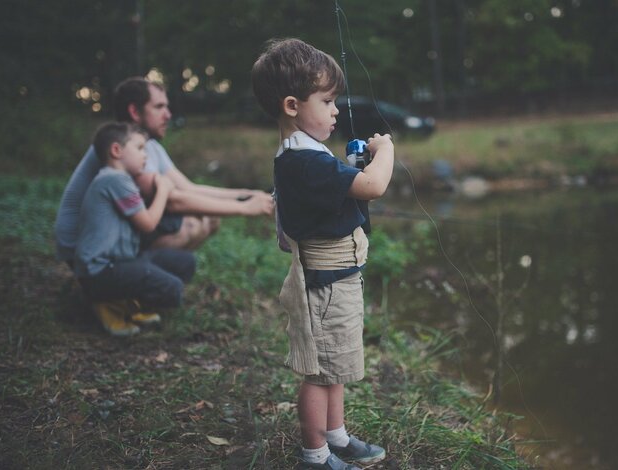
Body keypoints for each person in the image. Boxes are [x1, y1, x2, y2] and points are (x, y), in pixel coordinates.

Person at [251, 38, 394, 470]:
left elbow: (334, 195)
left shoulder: (308, 155)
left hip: (339, 281)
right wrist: (384, 152)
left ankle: (336, 435)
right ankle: (316, 456)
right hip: (327, 287)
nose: (335, 110)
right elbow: (373, 187)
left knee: (336, 367)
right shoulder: (304, 161)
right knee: (320, 374)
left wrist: (350, 168)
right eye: (328, 101)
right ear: (292, 105)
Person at [54, 76, 274, 265]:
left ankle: (146, 282)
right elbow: (173, 200)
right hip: (83, 249)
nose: (168, 115)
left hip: (111, 236)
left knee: (209, 218)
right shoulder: (123, 152)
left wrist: (247, 194)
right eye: (159, 107)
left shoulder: (147, 146)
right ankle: (130, 288)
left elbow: (189, 188)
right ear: (134, 111)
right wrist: (245, 208)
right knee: (191, 224)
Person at [74, 122, 196, 336]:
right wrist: (164, 190)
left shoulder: (118, 179)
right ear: (116, 151)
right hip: (100, 272)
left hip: (121, 262)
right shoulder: (114, 179)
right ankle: (107, 303)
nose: (145, 156)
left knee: (186, 262)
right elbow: (148, 224)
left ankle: (125, 302)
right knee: (172, 289)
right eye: (140, 148)